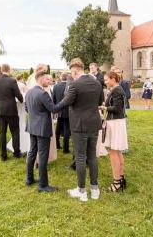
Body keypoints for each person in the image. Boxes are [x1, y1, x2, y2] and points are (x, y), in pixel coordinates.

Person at [55, 58, 104, 202]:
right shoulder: (97, 82)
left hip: (79, 125)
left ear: (75, 71)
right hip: (94, 123)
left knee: (81, 157)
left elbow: (66, 101)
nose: (72, 75)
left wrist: (52, 108)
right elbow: (100, 100)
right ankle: (95, 190)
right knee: (92, 156)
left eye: (72, 73)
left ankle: (82, 191)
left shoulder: (75, 85)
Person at [25, 71, 58, 192]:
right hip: (42, 128)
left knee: (32, 152)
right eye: (46, 79)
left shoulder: (29, 92)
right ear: (40, 79)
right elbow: (53, 108)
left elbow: (27, 108)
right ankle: (43, 185)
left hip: (32, 126)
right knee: (43, 156)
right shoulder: (43, 93)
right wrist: (65, 101)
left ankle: (29, 179)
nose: (49, 81)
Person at [103, 72, 128, 192]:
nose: (105, 82)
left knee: (113, 152)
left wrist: (105, 108)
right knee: (117, 151)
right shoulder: (117, 89)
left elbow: (117, 109)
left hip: (115, 123)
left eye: (107, 80)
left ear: (113, 79)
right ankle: (121, 178)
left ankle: (117, 182)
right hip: (118, 122)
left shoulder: (117, 90)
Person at [0, 64, 24, 161]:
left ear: (2, 70)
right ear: (9, 70)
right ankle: (16, 153)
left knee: (2, 132)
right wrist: (21, 99)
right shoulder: (11, 80)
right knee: (15, 131)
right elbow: (18, 95)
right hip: (10, 110)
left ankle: (3, 155)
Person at [53, 72, 71, 154]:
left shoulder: (56, 86)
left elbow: (53, 99)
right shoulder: (69, 86)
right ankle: (65, 148)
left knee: (58, 129)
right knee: (67, 129)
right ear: (67, 78)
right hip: (68, 111)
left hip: (58, 109)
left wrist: (55, 109)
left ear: (61, 78)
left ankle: (57, 145)